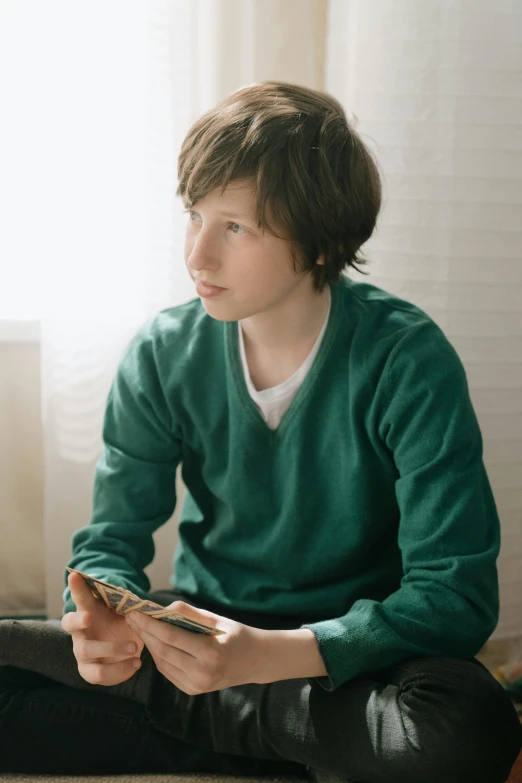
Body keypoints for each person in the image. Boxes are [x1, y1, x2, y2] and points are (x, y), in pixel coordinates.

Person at [1, 80, 521, 782]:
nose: (198, 255)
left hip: (348, 658)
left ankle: (225, 729)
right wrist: (98, 621)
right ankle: (298, 744)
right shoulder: (162, 351)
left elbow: (454, 598)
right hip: (199, 637)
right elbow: (110, 541)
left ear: (319, 241)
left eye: (235, 227)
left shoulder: (407, 357)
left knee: (463, 725)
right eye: (194, 215)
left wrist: (267, 656)